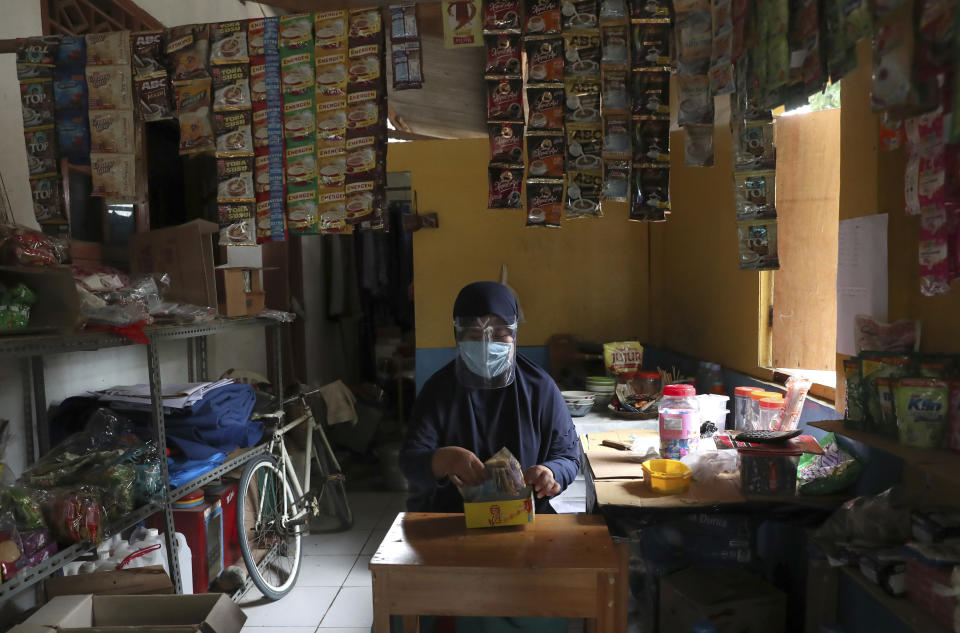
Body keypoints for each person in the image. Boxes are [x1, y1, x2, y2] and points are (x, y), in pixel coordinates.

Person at [396, 281, 580, 633]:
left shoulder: (540, 388)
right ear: (457, 334)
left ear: (514, 334)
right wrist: (442, 460)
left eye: (498, 331)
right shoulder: (439, 391)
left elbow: (567, 455)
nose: (485, 342)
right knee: (430, 609)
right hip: (453, 522)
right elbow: (410, 460)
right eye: (472, 330)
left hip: (526, 522)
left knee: (541, 612)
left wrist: (550, 472)